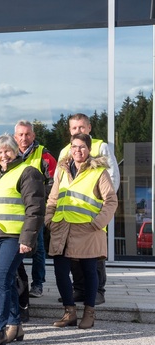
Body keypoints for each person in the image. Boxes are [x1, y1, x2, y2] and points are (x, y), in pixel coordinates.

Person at [0, 134, 45, 345]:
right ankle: (16, 326)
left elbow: (35, 209)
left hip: (15, 237)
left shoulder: (27, 172)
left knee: (0, 281)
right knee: (6, 281)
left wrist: (27, 239)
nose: (3, 155)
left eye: (7, 150)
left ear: (16, 151)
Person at [46, 133, 117, 330]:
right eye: (75, 146)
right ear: (70, 148)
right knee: (60, 272)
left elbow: (111, 201)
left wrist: (97, 223)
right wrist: (49, 220)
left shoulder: (99, 172)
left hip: (88, 230)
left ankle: (89, 312)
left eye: (83, 147)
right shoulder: (62, 170)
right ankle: (69, 312)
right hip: (62, 228)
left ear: (89, 150)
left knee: (89, 271)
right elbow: (53, 198)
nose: (78, 150)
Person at [58, 113, 120, 305]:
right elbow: (57, 180)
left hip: (93, 213)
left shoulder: (100, 147)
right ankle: (79, 289)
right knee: (74, 255)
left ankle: (98, 291)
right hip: (70, 215)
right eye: (74, 128)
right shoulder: (65, 151)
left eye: (82, 127)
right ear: (70, 131)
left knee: (94, 256)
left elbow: (112, 176)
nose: (78, 131)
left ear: (89, 128)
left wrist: (102, 212)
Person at [14, 120, 56, 300]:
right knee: (15, 248)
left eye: (27, 134)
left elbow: (54, 183)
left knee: (37, 247)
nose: (24, 138)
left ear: (33, 136)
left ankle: (37, 284)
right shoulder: (9, 154)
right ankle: (17, 282)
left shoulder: (44, 155)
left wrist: (38, 197)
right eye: (21, 135)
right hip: (14, 210)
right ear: (15, 137)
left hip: (35, 210)